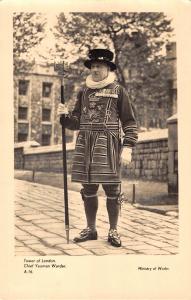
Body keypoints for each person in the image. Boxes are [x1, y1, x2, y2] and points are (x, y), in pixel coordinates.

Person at [57, 49, 138, 247]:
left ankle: (113, 230)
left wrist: (128, 146)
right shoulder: (83, 91)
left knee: (112, 188)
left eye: (99, 66)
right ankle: (91, 229)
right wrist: (65, 116)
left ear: (108, 68)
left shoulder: (119, 90)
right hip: (85, 143)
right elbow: (76, 122)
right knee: (89, 187)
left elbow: (129, 121)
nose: (95, 69)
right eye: (92, 66)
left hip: (108, 143)